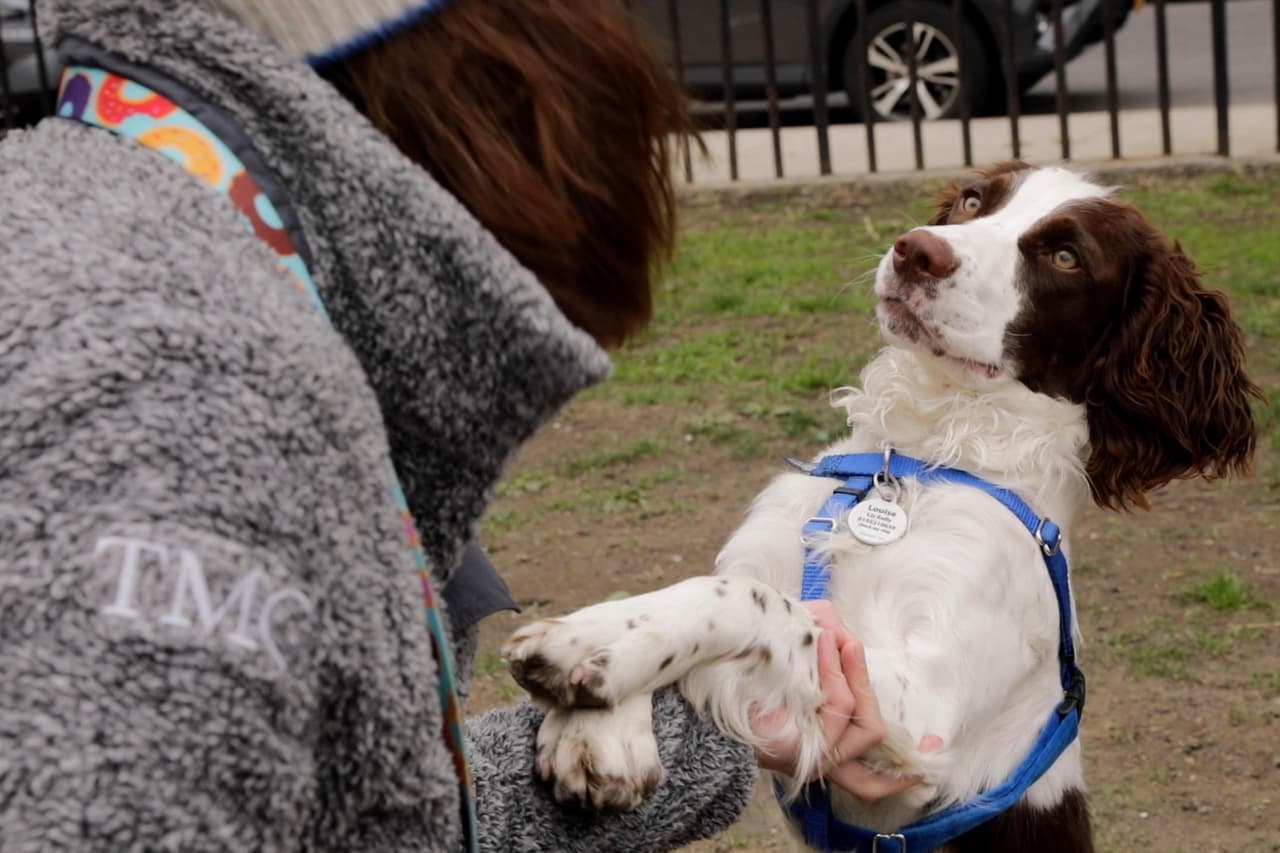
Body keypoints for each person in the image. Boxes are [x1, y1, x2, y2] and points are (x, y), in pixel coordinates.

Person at [0, 1, 920, 850]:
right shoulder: (181, 390)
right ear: (504, 84)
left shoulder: (128, 238)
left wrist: (692, 731)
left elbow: (324, 811)